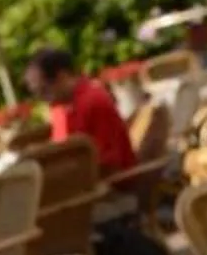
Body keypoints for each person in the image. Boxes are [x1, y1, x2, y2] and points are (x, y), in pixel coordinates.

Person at [22, 46, 137, 179]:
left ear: (61, 77)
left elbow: (109, 165)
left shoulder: (93, 102)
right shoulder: (60, 107)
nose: (41, 99)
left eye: (43, 91)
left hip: (114, 189)